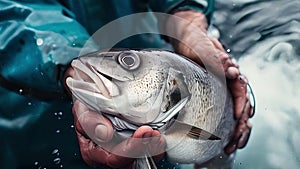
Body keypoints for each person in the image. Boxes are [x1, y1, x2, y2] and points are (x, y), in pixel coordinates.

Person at [0, 0, 254, 168]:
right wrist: (66, 58)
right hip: (32, 132)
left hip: (156, 66)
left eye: (128, 62)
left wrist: (187, 18)